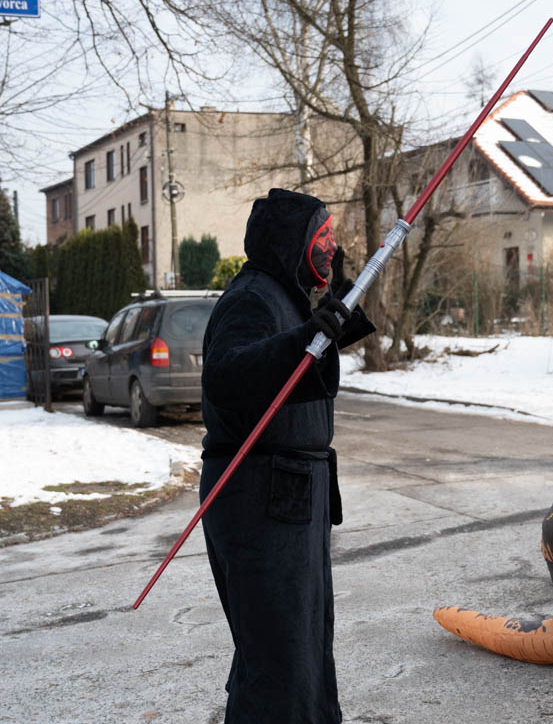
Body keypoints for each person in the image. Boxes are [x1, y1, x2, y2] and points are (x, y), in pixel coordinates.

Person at [199, 188, 375, 723]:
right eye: (323, 237)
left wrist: (334, 307)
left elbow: (299, 363)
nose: (332, 246)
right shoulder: (251, 298)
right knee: (278, 653)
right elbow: (228, 375)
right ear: (290, 243)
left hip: (293, 497)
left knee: (303, 645)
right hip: (259, 498)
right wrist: (303, 339)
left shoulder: (285, 296)